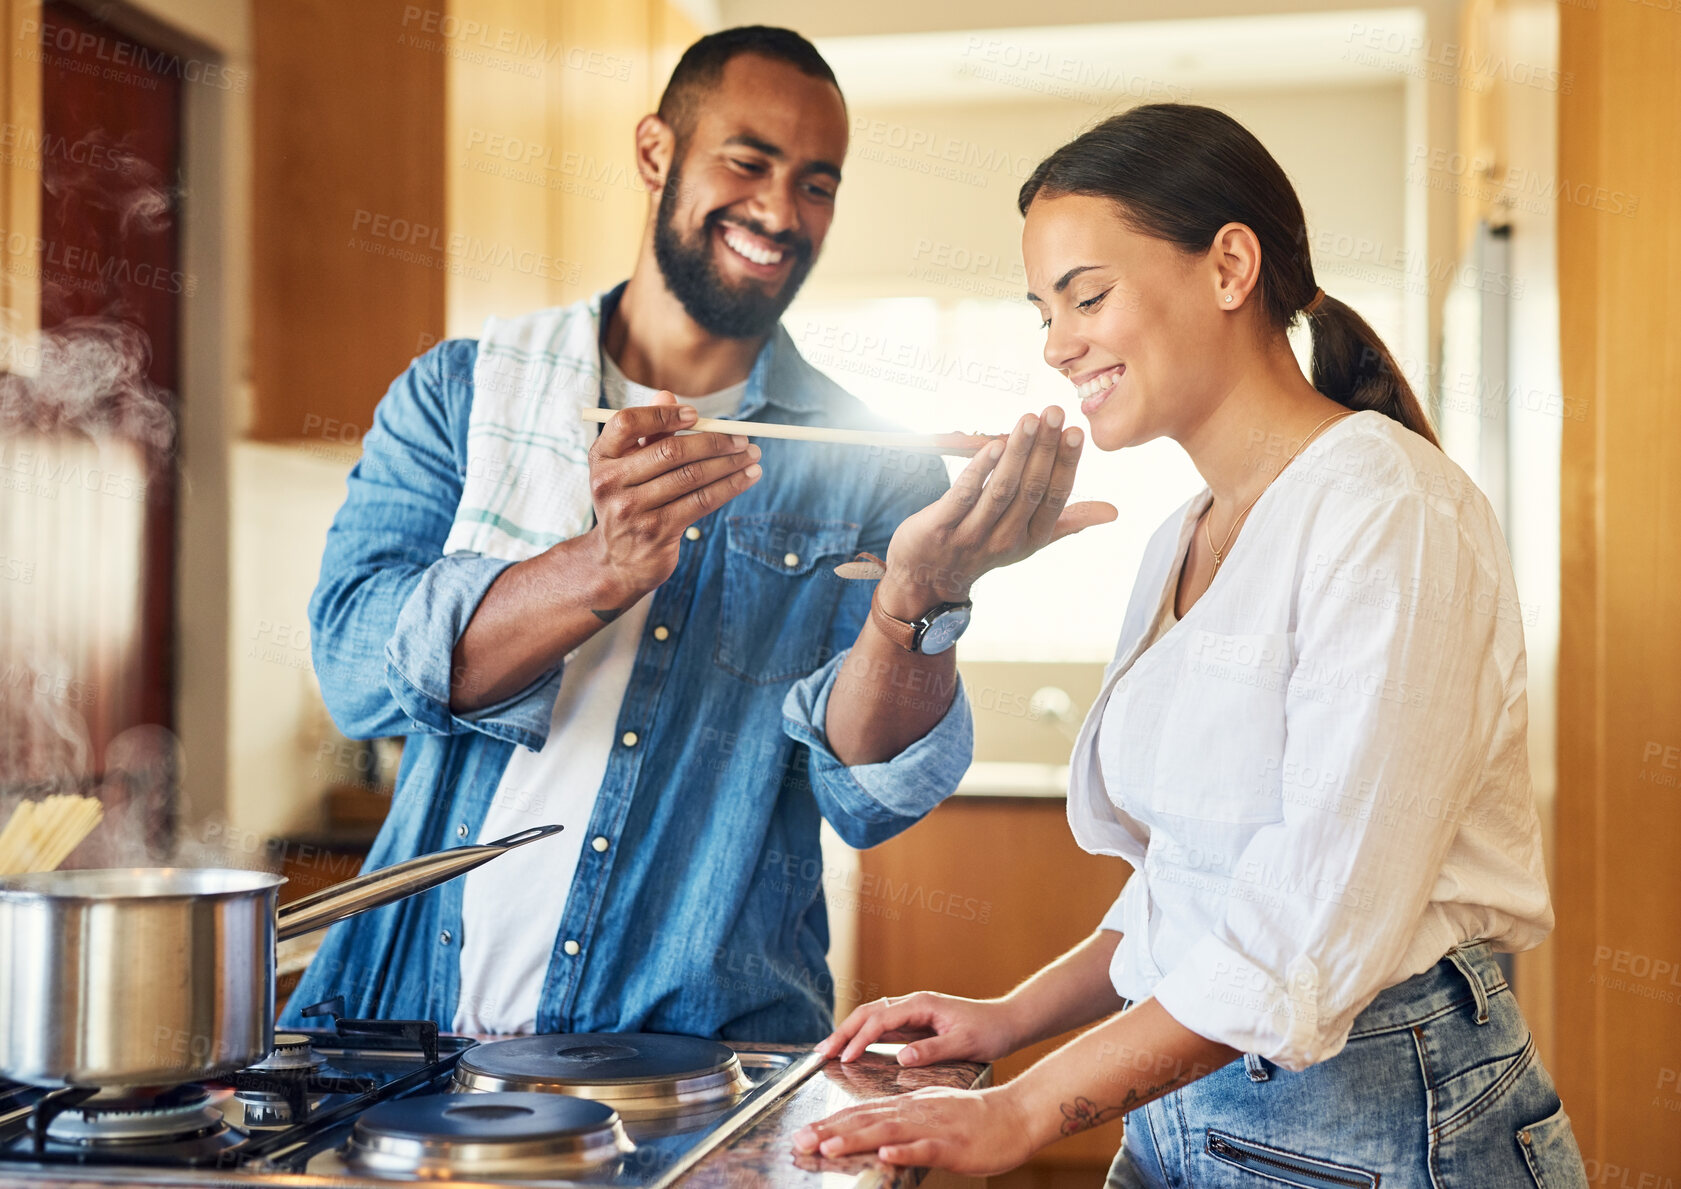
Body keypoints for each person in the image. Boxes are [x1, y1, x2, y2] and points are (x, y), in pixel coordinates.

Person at [794, 104, 1588, 1188]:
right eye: (1042, 310)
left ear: (1228, 267)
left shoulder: (1390, 509)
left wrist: (1027, 1111)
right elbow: (1197, 891)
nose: (1056, 342)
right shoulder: (1187, 532)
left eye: (1086, 295)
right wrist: (1009, 1018)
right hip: (1182, 1106)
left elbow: (1308, 925)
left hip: (1373, 1114)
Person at [281, 26, 1112, 1043]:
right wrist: (601, 565)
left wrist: (919, 602)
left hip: (699, 1062)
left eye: (816, 183)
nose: (778, 210)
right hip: (400, 1035)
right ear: (654, 152)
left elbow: (870, 796)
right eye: (748, 161)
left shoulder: (873, 463)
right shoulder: (462, 394)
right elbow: (356, 669)